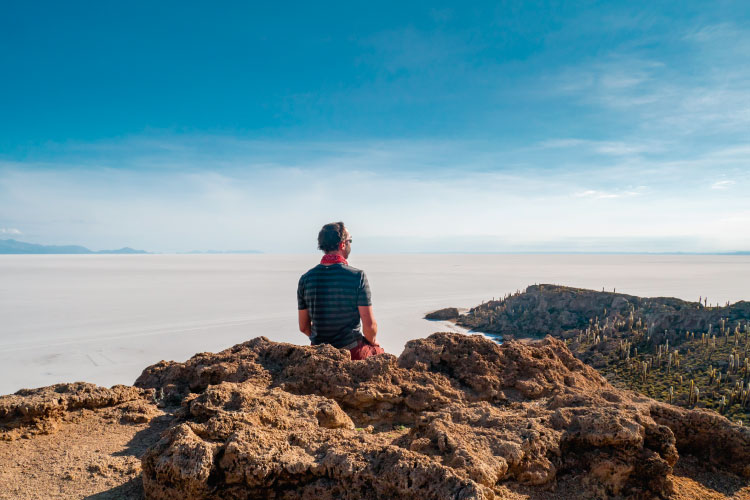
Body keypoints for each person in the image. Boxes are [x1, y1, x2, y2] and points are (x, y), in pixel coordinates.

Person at [297, 222, 384, 360]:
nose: (350, 244)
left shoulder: (306, 279)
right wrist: (373, 342)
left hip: (318, 354)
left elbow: (303, 326)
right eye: (350, 240)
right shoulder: (357, 276)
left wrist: (324, 344)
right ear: (342, 244)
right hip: (351, 351)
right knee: (380, 356)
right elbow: (369, 326)